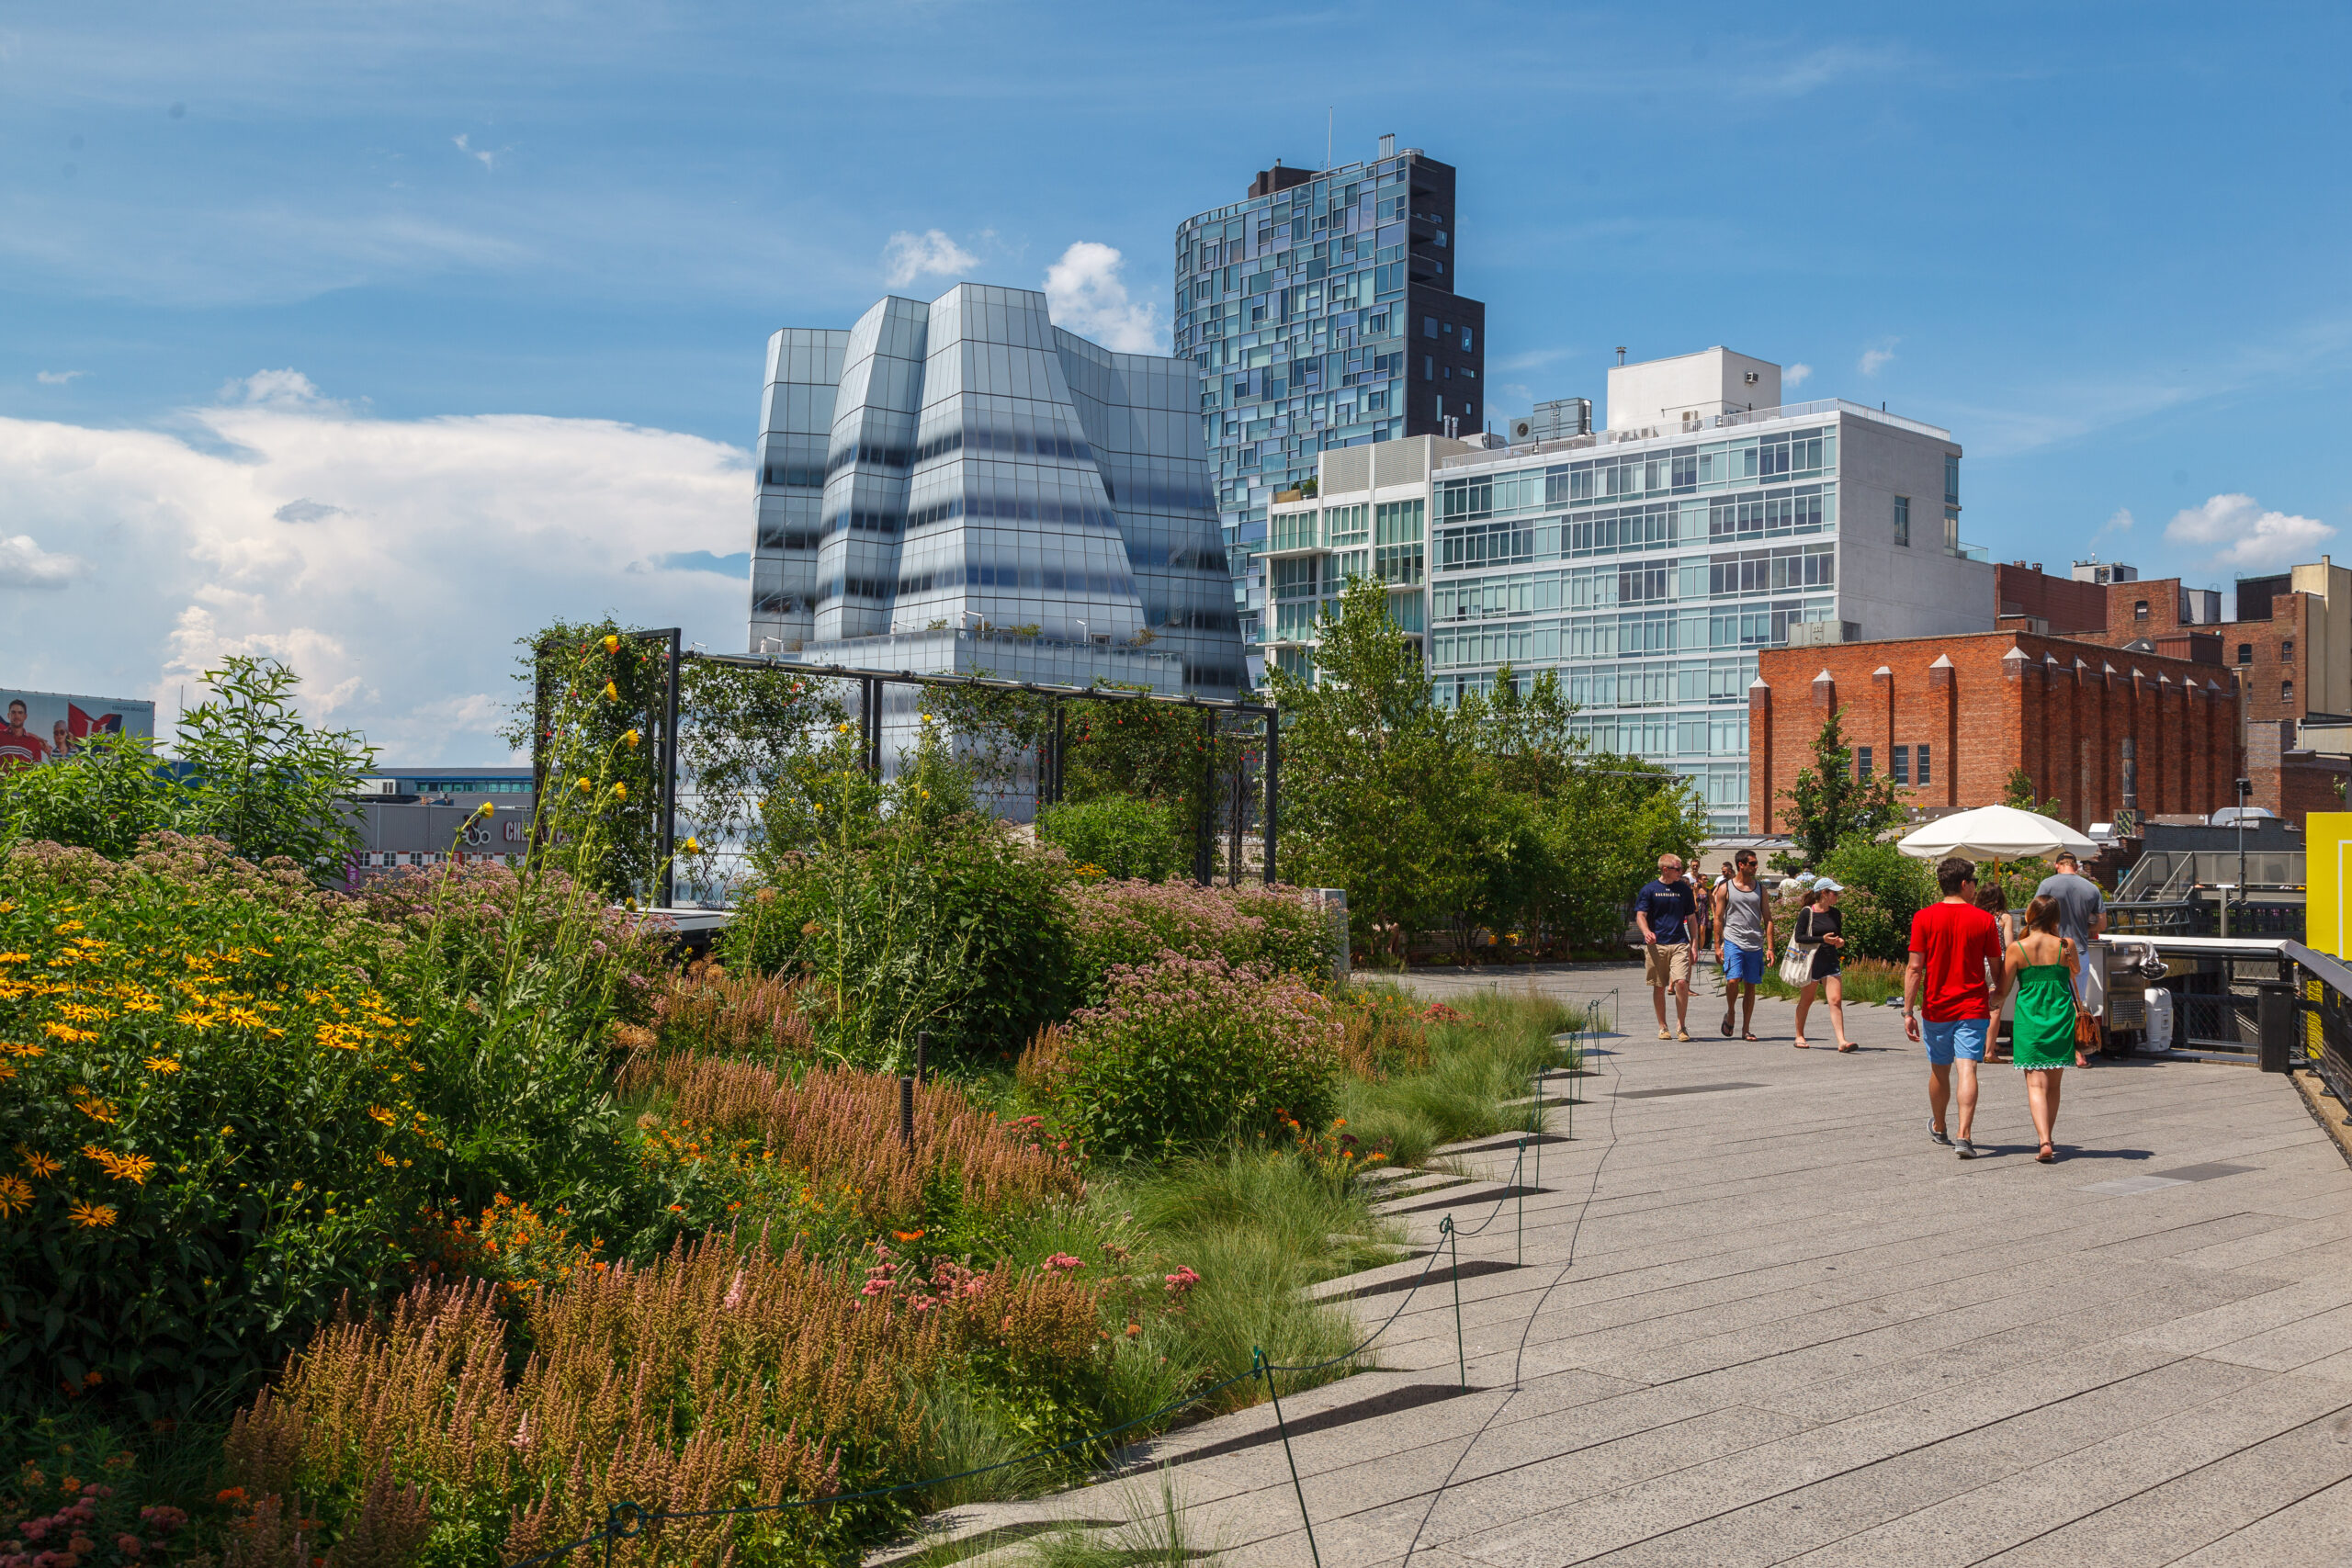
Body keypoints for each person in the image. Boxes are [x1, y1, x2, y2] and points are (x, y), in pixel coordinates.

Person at [1904, 855, 2007, 1159]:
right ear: (1964, 884)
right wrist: (1998, 994)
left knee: (1940, 1070)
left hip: (1937, 1006)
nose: (1975, 887)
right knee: (1968, 1068)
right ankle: (1965, 1135)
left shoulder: (1924, 917)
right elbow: (1996, 964)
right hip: (1973, 1005)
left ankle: (1939, 1125)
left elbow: (1914, 968)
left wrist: (1908, 1011)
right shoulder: (1984, 919)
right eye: (1973, 882)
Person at [2004, 894, 2081, 1163]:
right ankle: (2049, 1135)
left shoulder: (2017, 948)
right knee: (2054, 1084)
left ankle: (2044, 1140)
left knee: (2035, 1084)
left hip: (2030, 1020)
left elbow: (2003, 988)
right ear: (2056, 918)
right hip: (2060, 1017)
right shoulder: (2066, 944)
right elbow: (2075, 973)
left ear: (2029, 915)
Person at [2035, 852, 2107, 1067]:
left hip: (2049, 951)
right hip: (2079, 952)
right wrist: (2084, 928)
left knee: (2050, 1000)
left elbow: (2035, 917)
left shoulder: (2047, 885)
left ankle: (2050, 1048)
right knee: (2077, 1002)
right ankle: (2078, 1053)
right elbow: (2101, 925)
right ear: (2075, 866)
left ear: (2057, 865)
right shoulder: (2091, 889)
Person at [1634, 853, 1700, 1041]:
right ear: (1665, 869)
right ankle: (1663, 1026)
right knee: (1659, 986)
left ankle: (1681, 1025)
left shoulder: (1684, 890)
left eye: (1681, 869)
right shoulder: (1649, 890)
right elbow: (1640, 915)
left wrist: (1694, 944)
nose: (1681, 872)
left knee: (1681, 982)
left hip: (1679, 942)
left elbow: (1693, 918)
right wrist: (1646, 931)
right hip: (1657, 944)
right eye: (1678, 869)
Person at [1713, 849, 1776, 1041]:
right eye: (1753, 863)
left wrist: (1770, 948)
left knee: (1750, 985)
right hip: (1733, 940)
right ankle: (1731, 1011)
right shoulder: (1726, 888)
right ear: (1741, 864)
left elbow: (1768, 919)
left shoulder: (1760, 889)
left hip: (1754, 943)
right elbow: (1717, 918)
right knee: (1733, 980)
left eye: (1756, 864)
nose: (1756, 867)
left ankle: (1745, 1029)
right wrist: (1718, 946)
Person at [1793, 878, 1855, 1052]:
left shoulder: (1835, 913)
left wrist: (1840, 941)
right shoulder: (1807, 912)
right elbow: (1799, 937)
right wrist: (1822, 939)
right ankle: (1799, 1035)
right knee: (1807, 1000)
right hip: (1811, 962)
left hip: (1830, 960)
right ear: (1824, 893)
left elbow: (1838, 935)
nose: (1837, 896)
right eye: (1834, 893)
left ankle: (1842, 1041)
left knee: (1835, 1001)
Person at [1976, 882, 2016, 1055]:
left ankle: (1981, 1045)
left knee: (1979, 1007)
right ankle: (1990, 1051)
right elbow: (2008, 945)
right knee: (1995, 1009)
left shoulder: (1976, 915)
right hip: (1995, 963)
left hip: (1977, 963)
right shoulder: (2004, 918)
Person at [0, 700, 49, 772]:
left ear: (25, 716)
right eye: (13, 712)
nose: (17, 716)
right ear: (8, 715)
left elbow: (37, 771)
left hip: (23, 783)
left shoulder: (34, 742)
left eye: (20, 713)